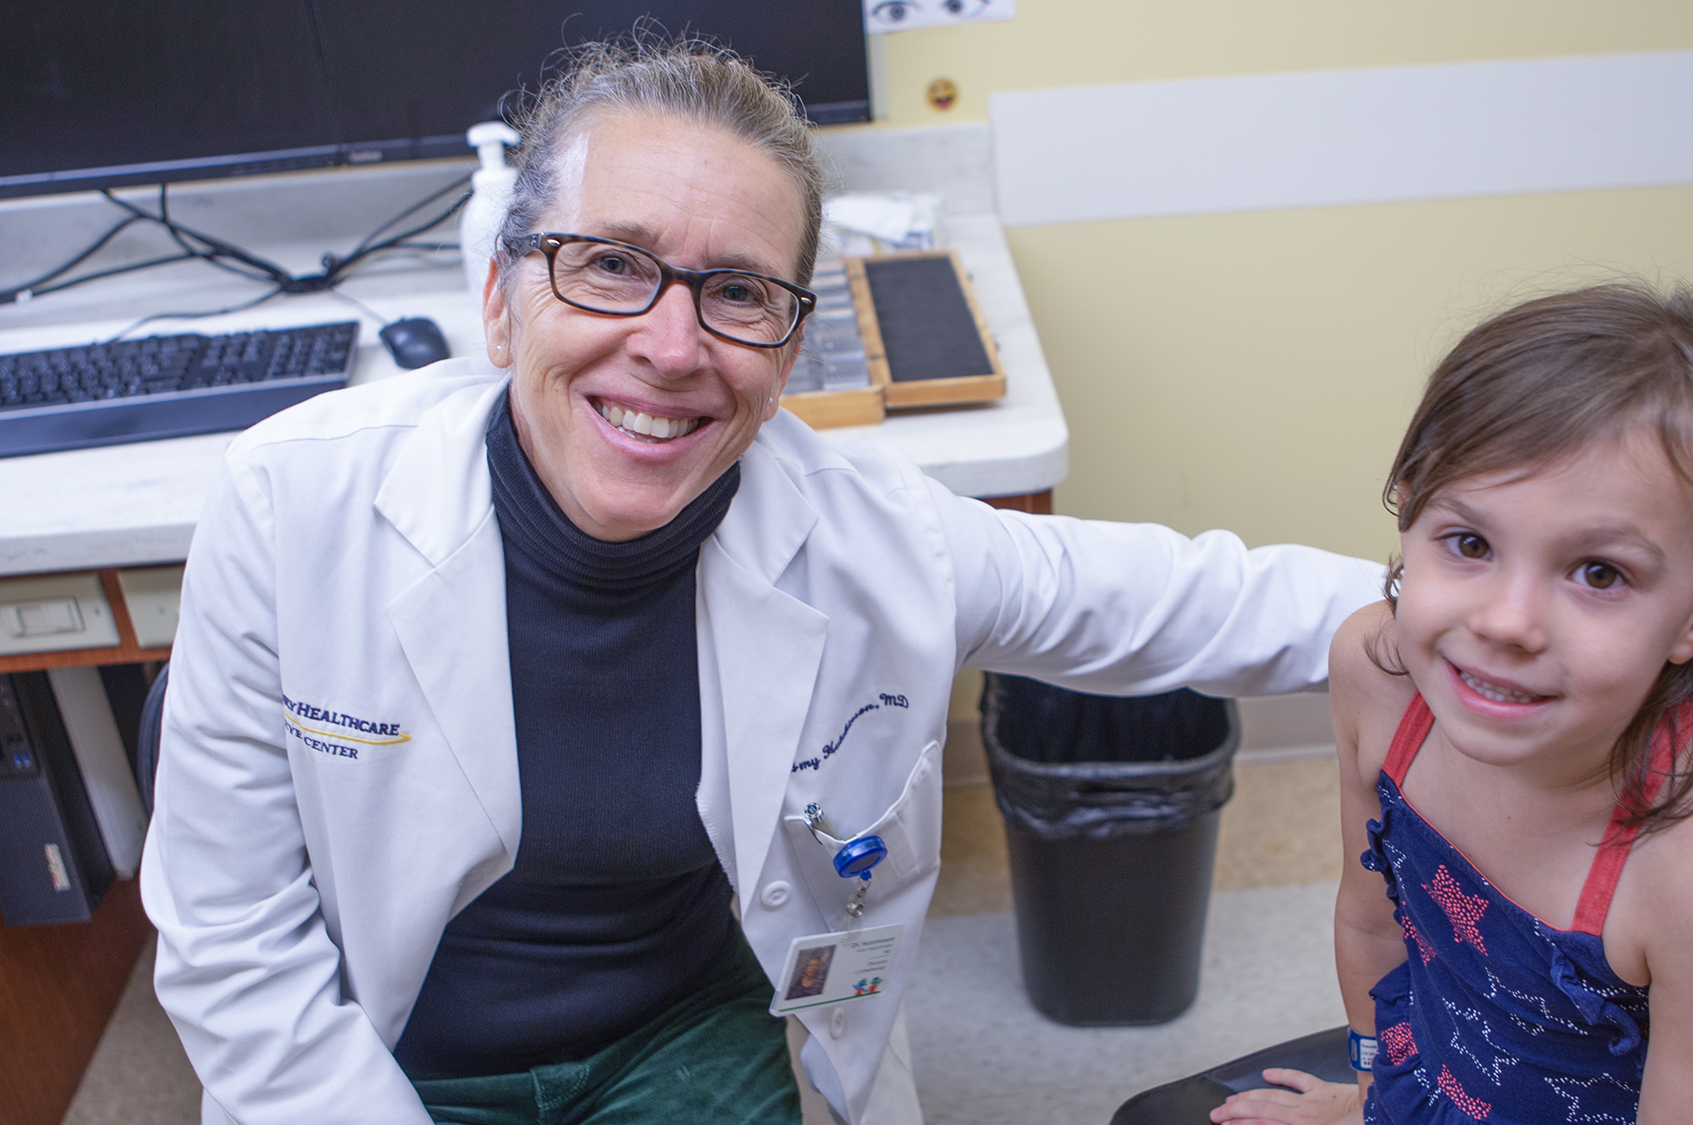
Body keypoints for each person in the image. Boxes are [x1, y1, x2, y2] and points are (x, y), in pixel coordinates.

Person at [138, 37, 1387, 1125]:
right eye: (612, 265)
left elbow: (1188, 600)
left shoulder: (874, 541)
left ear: (789, 347)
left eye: (736, 293)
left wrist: (1497, 613)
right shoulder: (295, 503)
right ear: (503, 301)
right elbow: (234, 943)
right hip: (379, 1051)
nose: (672, 348)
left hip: (681, 1029)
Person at [1213, 283, 1693, 1125]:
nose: (1507, 623)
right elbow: (1372, 928)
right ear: (1407, 508)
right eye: (1470, 542)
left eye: (1599, 572)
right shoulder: (1379, 676)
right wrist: (1375, 1100)